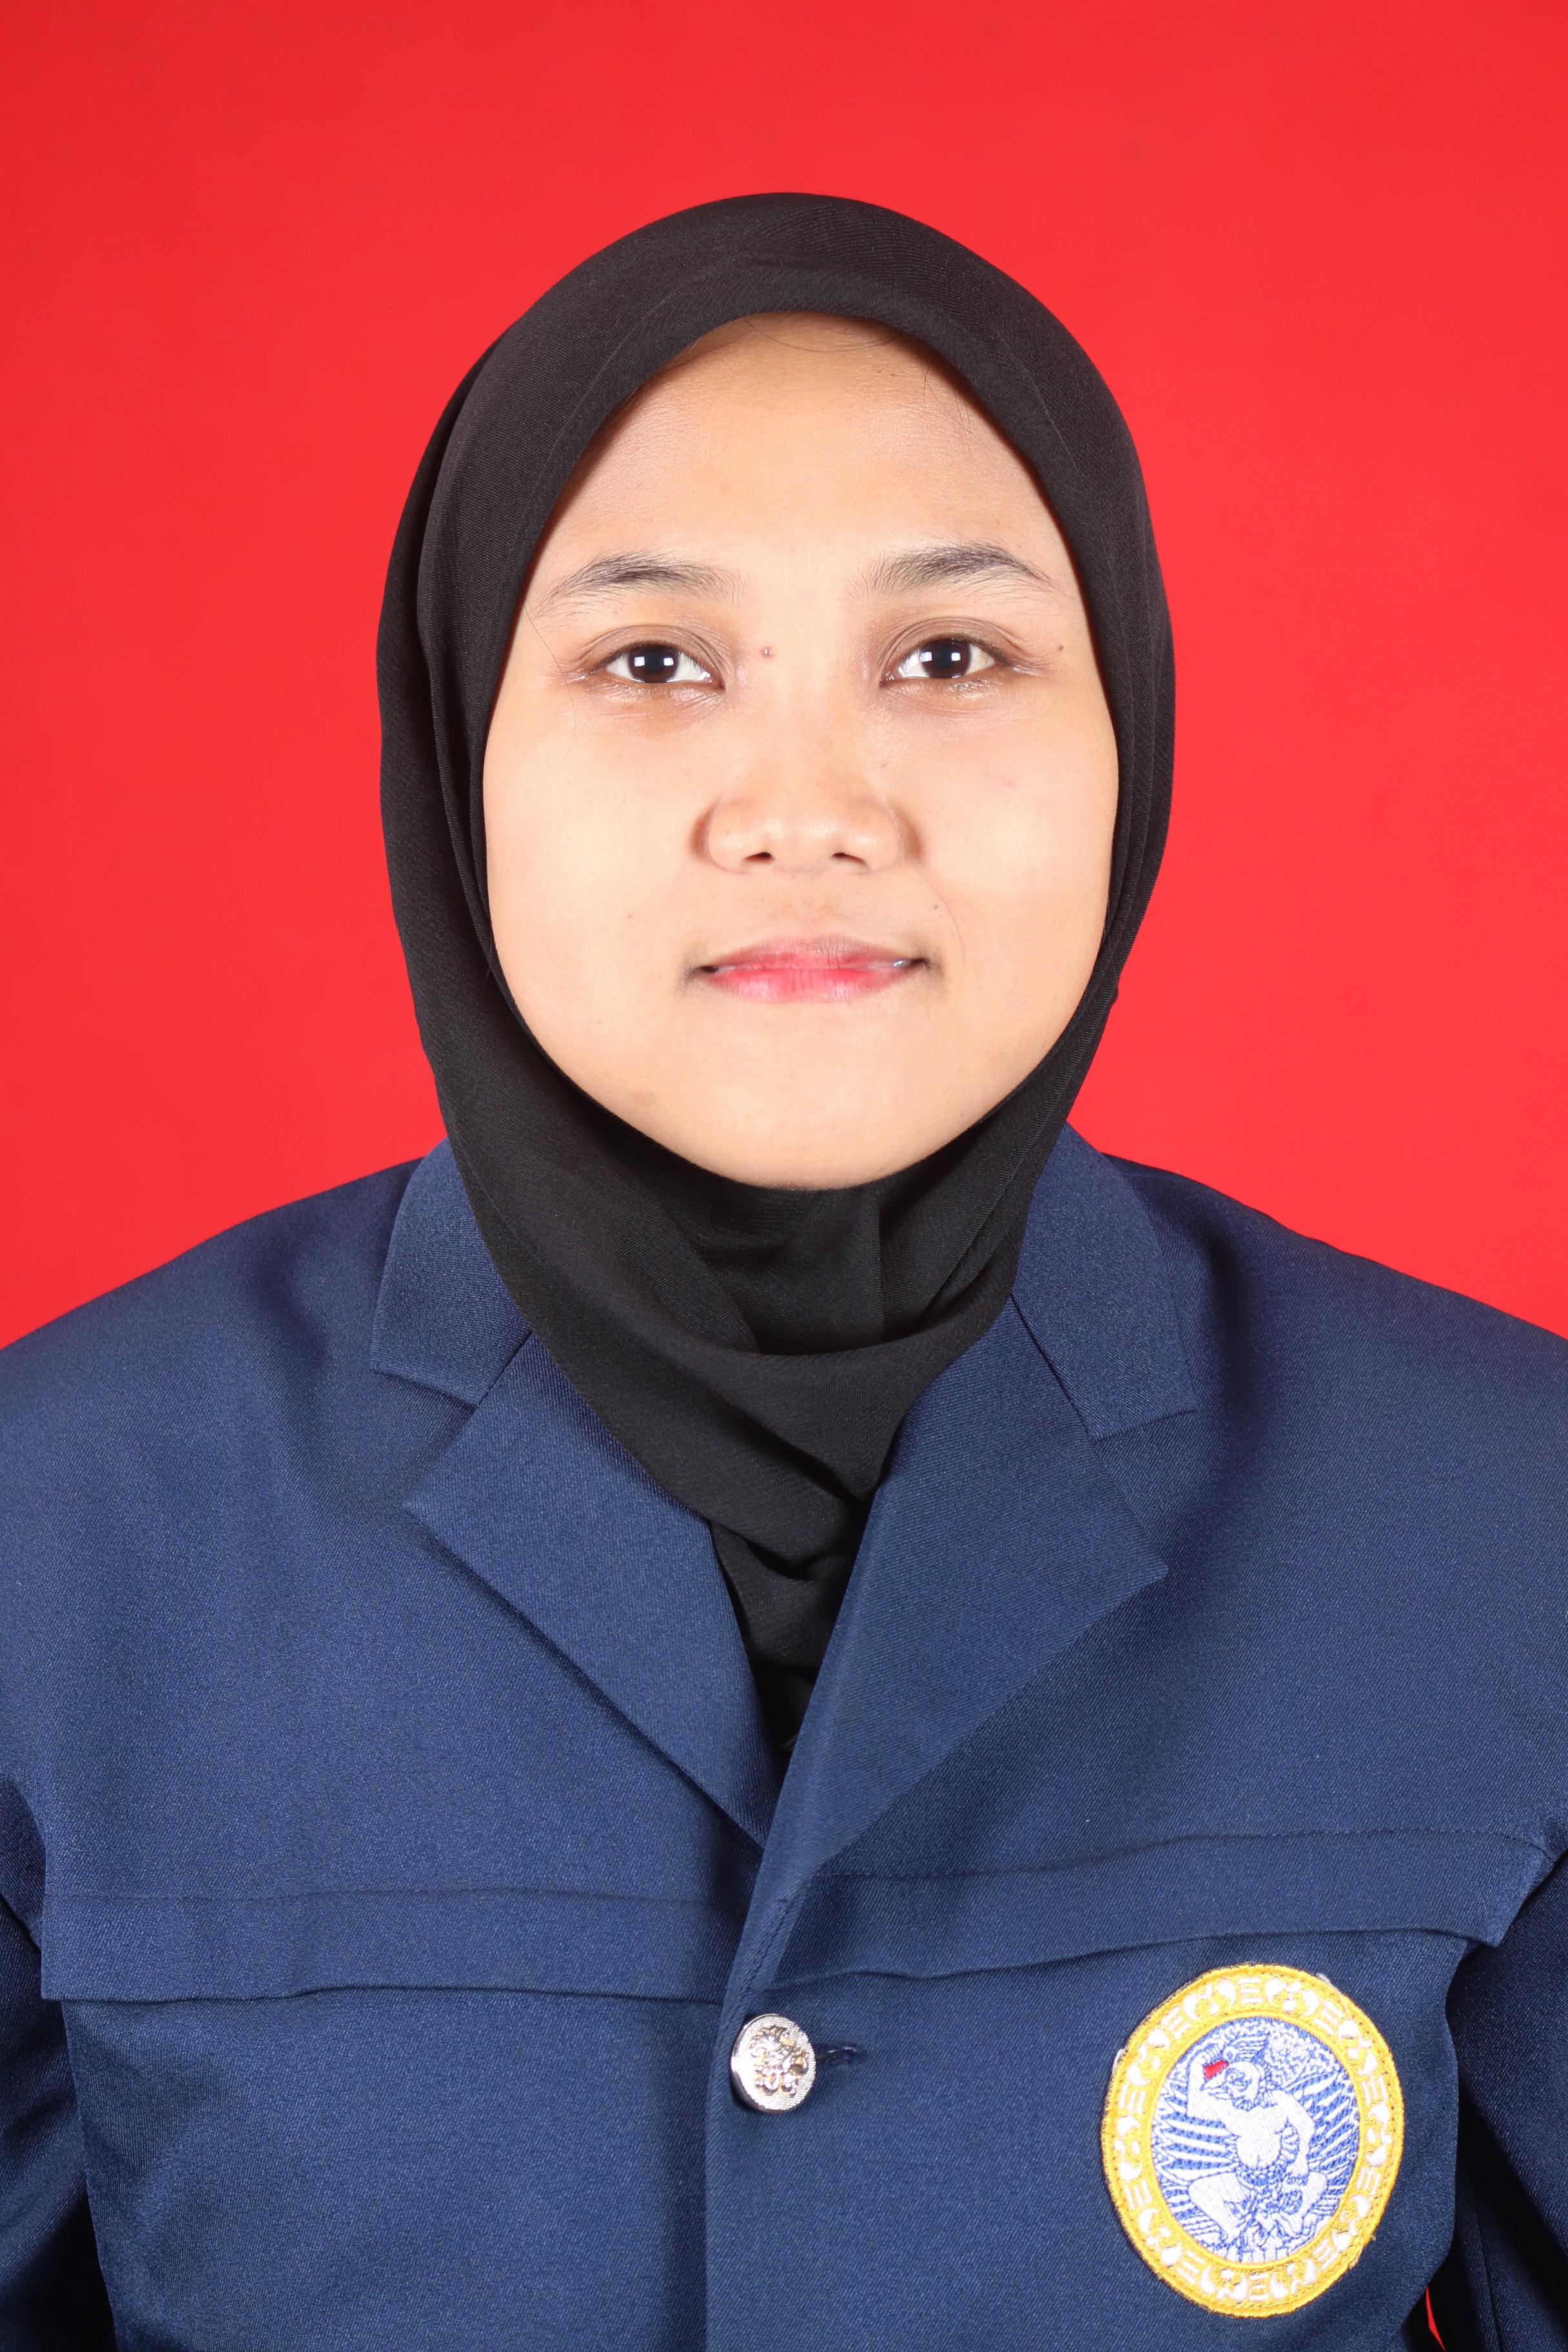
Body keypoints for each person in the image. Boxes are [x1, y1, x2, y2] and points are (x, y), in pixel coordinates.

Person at [0, 193, 1563, 2351]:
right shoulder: (53, 1533)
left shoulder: (1508, 1521)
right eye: (653, 663)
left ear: (1131, 728)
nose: (810, 808)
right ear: (457, 749)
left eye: (950, 658)